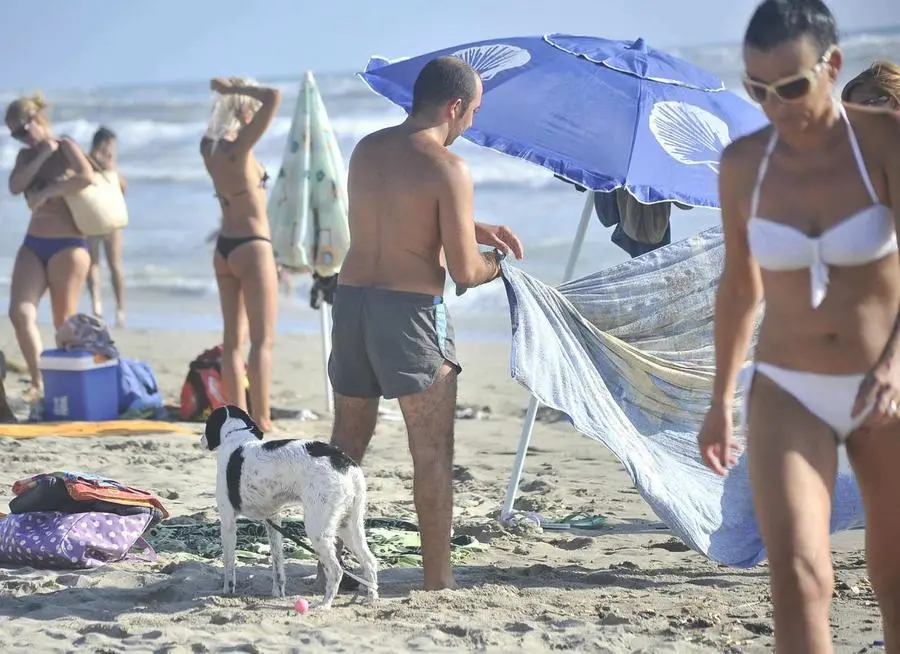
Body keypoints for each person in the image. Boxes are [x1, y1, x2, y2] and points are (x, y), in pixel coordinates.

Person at [697, 1, 900, 651]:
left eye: (790, 87)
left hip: (882, 389)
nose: (774, 106)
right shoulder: (744, 164)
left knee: (895, 578)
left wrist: (895, 363)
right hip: (788, 387)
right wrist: (721, 401)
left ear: (832, 66)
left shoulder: (886, 143)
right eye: (757, 89)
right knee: (798, 576)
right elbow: (739, 286)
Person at [327, 56, 524, 591]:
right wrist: (496, 264)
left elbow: (392, 215)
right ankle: (438, 581)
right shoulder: (448, 168)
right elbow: (464, 269)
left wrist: (469, 222)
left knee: (346, 444)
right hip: (409, 317)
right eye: (473, 112)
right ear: (454, 106)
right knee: (432, 452)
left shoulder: (367, 148)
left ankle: (334, 566)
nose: (472, 125)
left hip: (350, 305)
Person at [200, 77, 281, 433]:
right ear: (246, 111)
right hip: (252, 245)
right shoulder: (240, 150)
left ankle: (239, 419)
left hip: (224, 248)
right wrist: (237, 87)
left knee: (233, 342)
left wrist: (230, 94)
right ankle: (261, 418)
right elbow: (273, 96)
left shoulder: (210, 148)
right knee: (262, 341)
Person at [5, 94, 94, 400]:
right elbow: (16, 186)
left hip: (68, 245)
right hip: (33, 244)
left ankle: (64, 382)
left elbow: (87, 176)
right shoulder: (25, 156)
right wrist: (41, 154)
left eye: (23, 130)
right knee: (19, 313)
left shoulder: (67, 146)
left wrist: (53, 189)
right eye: (14, 134)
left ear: (38, 120)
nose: (20, 137)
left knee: (62, 321)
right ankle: (37, 379)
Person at [85, 126, 128, 327]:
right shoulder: (87, 161)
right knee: (93, 263)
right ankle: (97, 305)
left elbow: (123, 188)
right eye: (109, 145)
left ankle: (120, 308)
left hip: (110, 219)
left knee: (114, 264)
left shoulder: (111, 165)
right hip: (93, 218)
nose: (112, 149)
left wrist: (111, 167)